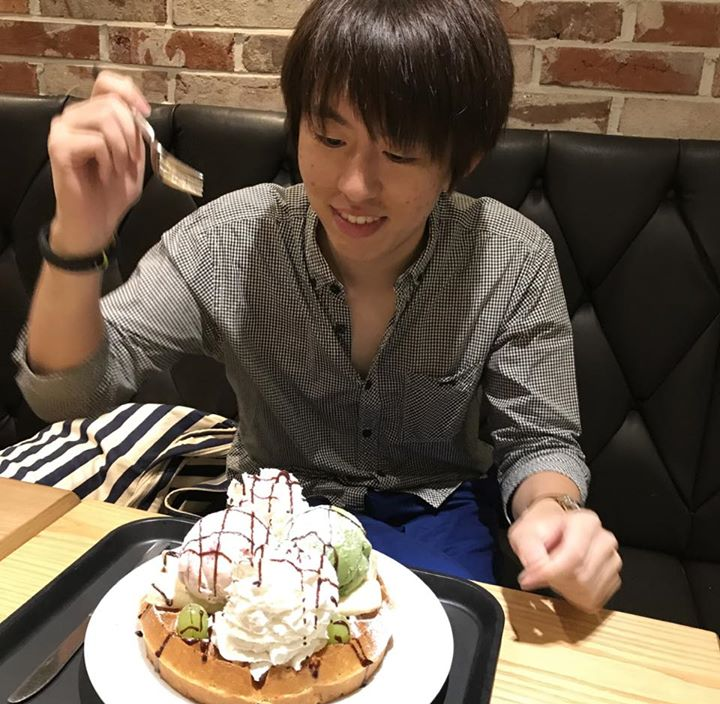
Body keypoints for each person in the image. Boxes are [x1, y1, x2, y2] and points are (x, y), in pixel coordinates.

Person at [14, 0, 621, 612]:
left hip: (434, 512)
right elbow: (68, 396)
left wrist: (554, 510)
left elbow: (539, 440)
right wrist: (79, 234)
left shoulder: (511, 257)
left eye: (400, 154)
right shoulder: (231, 241)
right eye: (330, 138)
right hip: (270, 515)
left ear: (460, 162)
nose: (354, 185)